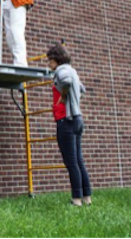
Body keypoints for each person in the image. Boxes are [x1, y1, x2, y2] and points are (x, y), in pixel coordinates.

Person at [47, 43, 92, 207]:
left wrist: (63, 98)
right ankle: (87, 198)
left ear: (56, 59)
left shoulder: (62, 70)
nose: (48, 64)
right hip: (77, 119)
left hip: (66, 120)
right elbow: (82, 89)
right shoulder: (72, 70)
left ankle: (76, 200)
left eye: (49, 60)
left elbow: (65, 82)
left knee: (71, 163)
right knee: (79, 161)